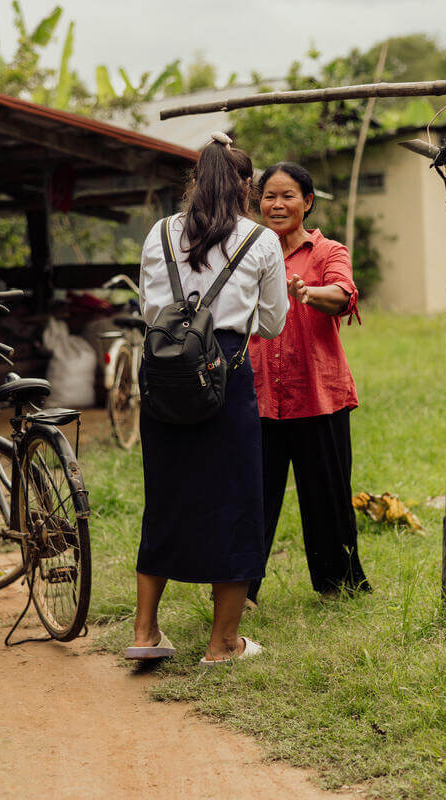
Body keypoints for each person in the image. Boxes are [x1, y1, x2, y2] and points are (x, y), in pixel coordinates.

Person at [125, 133, 288, 665]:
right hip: (225, 375)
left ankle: (146, 633)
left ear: (195, 181)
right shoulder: (260, 242)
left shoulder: (160, 232)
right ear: (246, 187)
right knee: (237, 503)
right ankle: (222, 644)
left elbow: (151, 311)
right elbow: (272, 320)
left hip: (164, 372)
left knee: (166, 497)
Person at [247, 162, 370, 604]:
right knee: (253, 499)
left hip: (319, 393)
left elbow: (343, 294)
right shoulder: (247, 251)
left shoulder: (328, 251)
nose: (277, 204)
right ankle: (241, 590)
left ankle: (338, 587)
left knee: (328, 496)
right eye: (269, 196)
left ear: (308, 202)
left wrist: (307, 293)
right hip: (259, 395)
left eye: (288, 196)